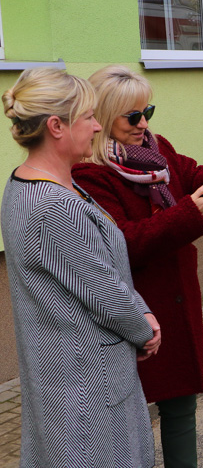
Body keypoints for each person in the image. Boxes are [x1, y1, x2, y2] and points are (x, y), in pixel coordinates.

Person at [72, 66, 203, 468]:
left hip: (174, 303)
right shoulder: (90, 174)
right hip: (132, 310)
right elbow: (124, 244)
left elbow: (192, 177)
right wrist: (187, 213)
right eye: (132, 116)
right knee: (126, 421)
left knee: (180, 408)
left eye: (148, 111)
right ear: (106, 116)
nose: (143, 123)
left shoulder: (155, 148)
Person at [1, 68, 160, 467]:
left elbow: (103, 266)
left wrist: (139, 307)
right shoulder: (52, 207)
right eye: (88, 116)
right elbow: (104, 293)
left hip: (82, 380)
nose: (96, 126)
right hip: (85, 392)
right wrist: (145, 328)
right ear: (56, 126)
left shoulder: (50, 185)